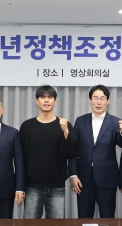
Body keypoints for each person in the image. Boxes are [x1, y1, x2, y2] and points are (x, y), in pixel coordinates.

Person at [19, 85, 79, 219]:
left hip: (57, 186)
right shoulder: (27, 126)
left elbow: (73, 153)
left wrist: (66, 132)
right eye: (42, 97)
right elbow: (20, 158)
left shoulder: (64, 124)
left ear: (55, 101)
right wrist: (20, 186)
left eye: (50, 97)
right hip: (32, 186)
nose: (46, 100)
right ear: (37, 101)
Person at [69, 85, 122, 218]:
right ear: (90, 100)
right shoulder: (80, 121)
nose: (99, 102)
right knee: (84, 219)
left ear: (108, 101)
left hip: (107, 177)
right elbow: (73, 149)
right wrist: (73, 175)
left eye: (102, 98)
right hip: (83, 179)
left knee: (107, 219)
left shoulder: (116, 122)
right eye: (95, 98)